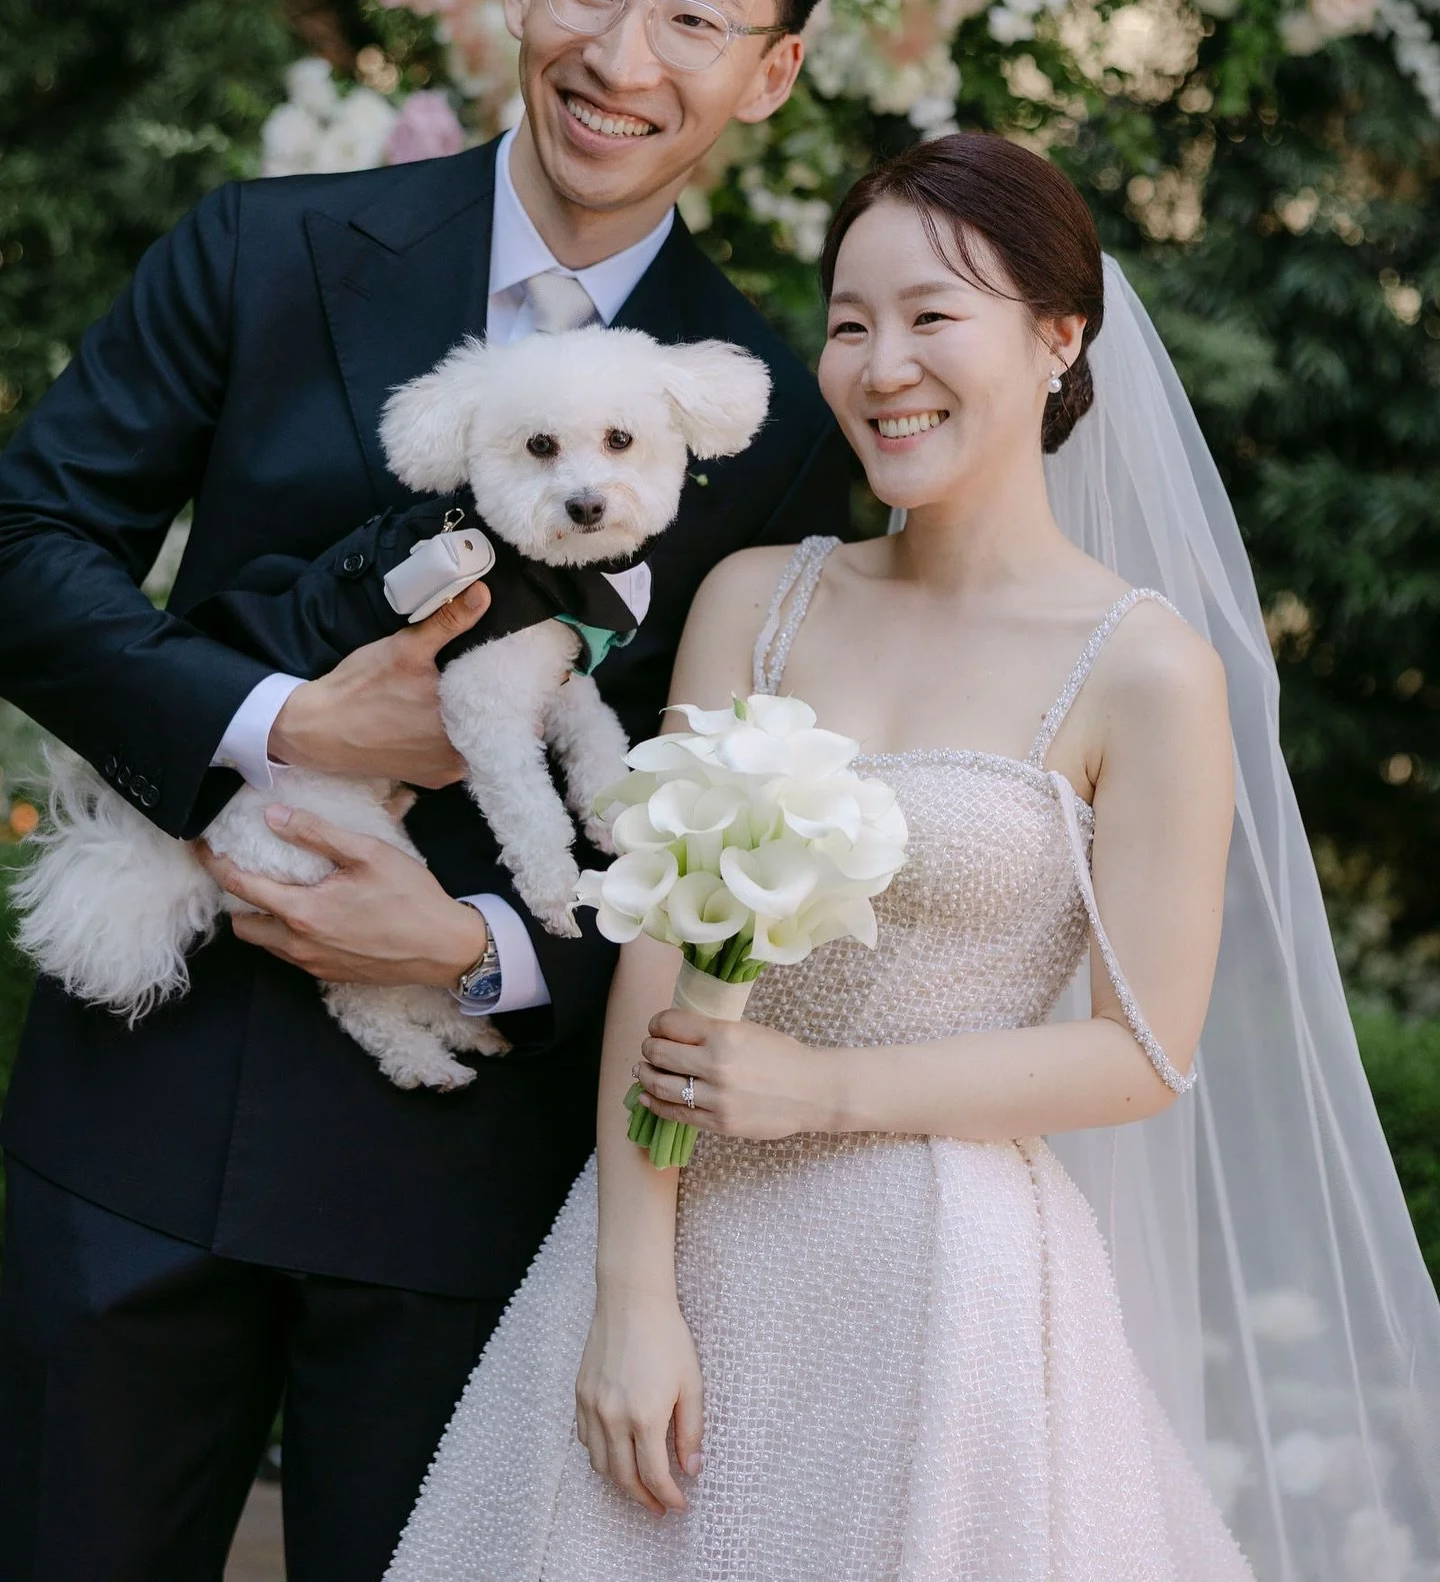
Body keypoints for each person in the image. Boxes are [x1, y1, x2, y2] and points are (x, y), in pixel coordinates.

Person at [385, 133, 1440, 1582]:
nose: (883, 365)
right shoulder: (756, 596)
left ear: (1060, 337)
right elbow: (656, 946)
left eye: (933, 316)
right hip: (682, 1241)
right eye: (850, 323)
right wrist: (631, 1294)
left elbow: (1143, 1048)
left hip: (946, 1284)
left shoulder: (1148, 670)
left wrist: (825, 1087)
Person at [0, 0, 852, 1581]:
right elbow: (25, 538)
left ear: (769, 75)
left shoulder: (765, 418)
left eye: (696, 18)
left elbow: (737, 856)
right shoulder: (263, 248)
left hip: (474, 1195)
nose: (622, 59)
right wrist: (283, 729)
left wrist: (477, 946)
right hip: (144, 1122)